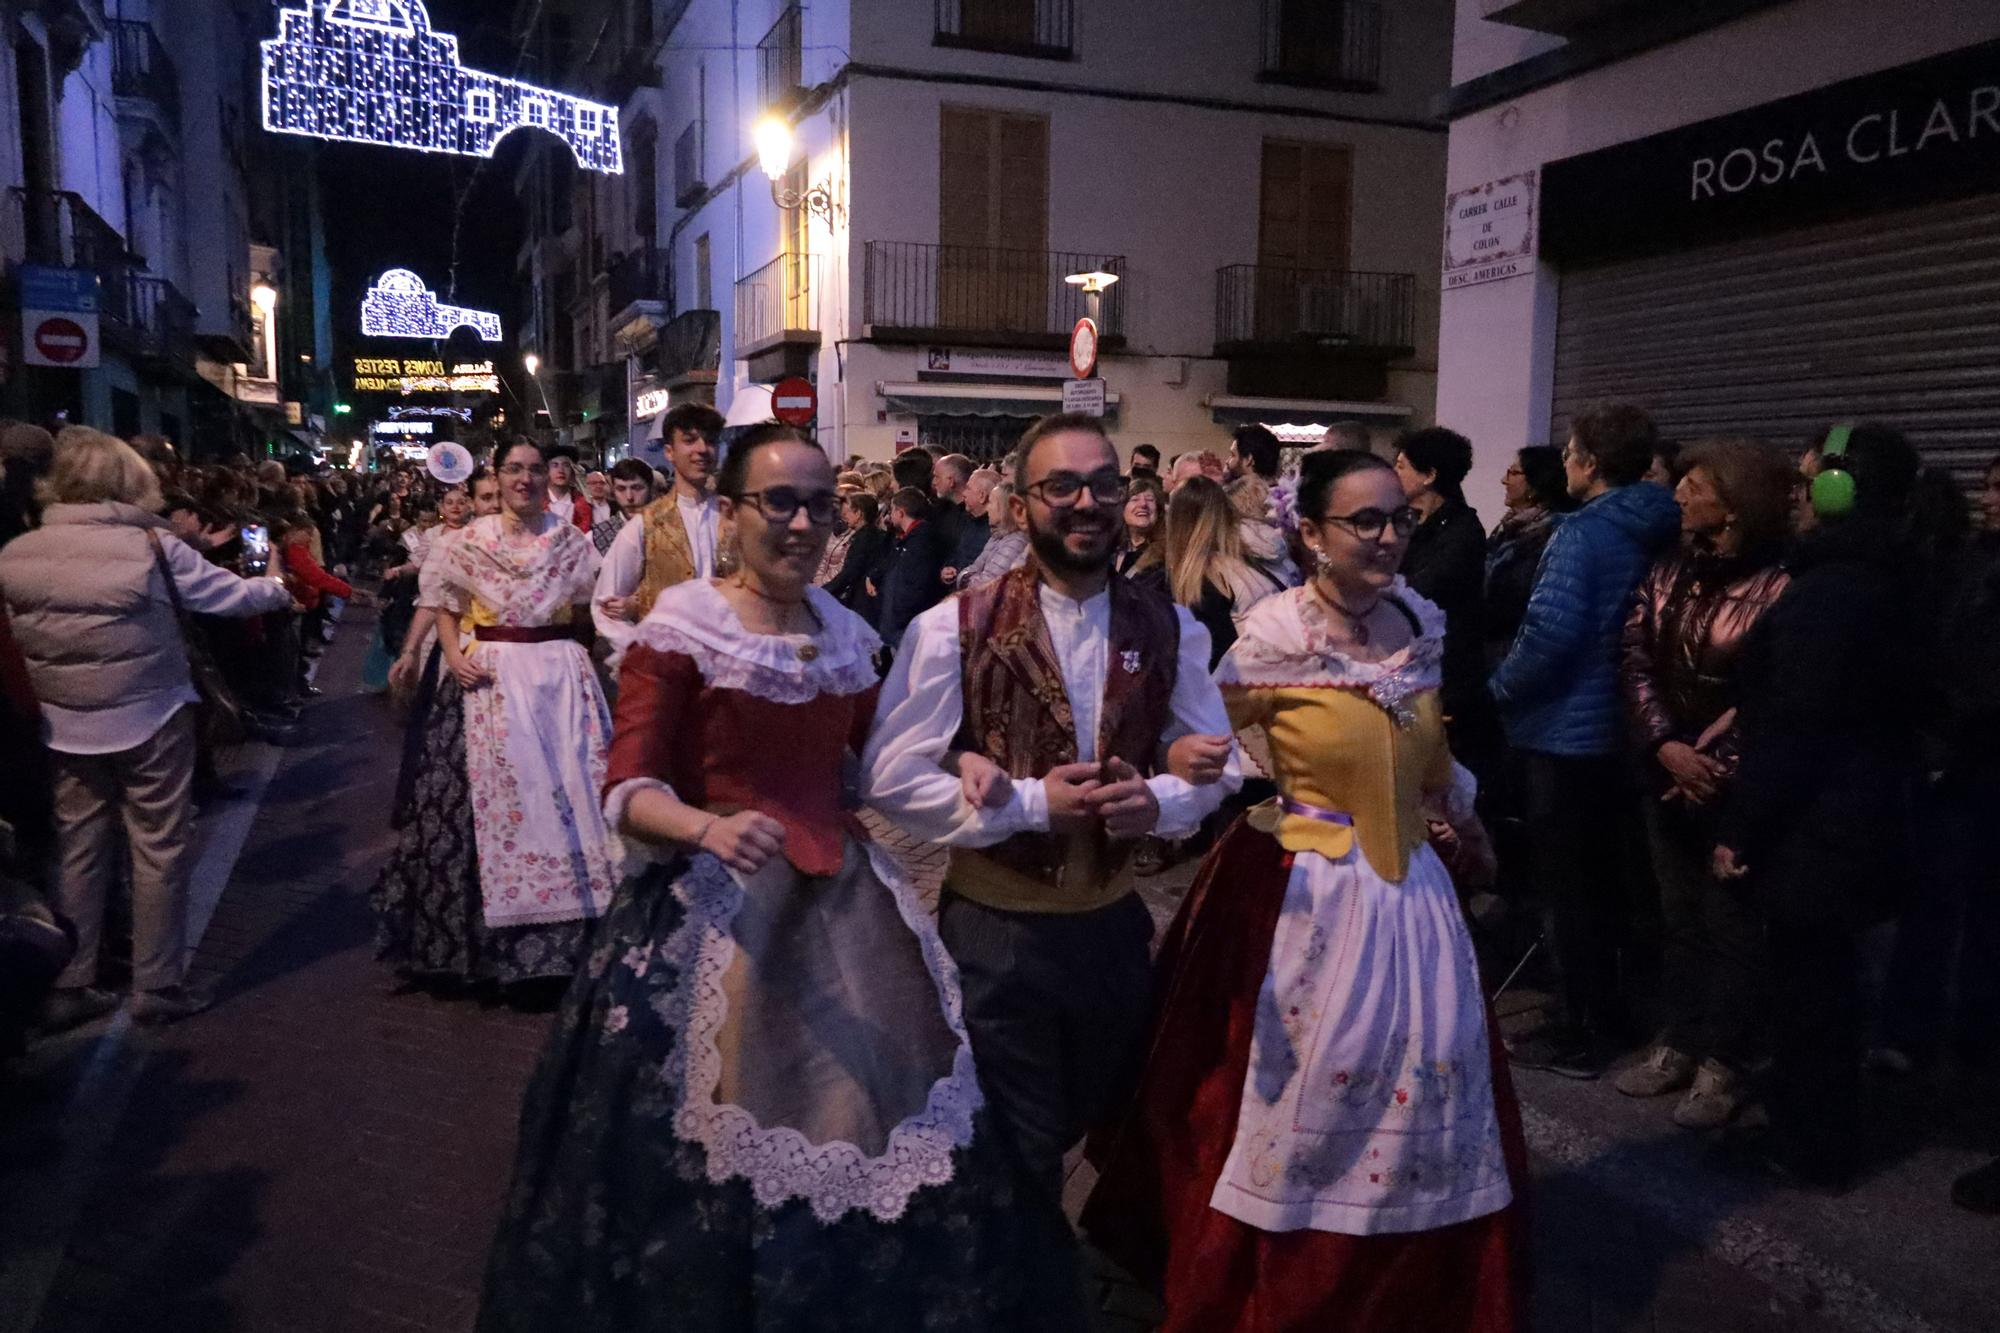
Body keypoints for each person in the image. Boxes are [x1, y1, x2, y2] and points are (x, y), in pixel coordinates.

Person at [476, 425, 1056, 1332]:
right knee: (693, 1132)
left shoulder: (846, 637)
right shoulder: (684, 627)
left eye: (819, 505)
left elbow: (881, 758)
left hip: (844, 903)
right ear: (735, 512)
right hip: (709, 905)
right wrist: (706, 825)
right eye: (778, 502)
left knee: (879, 1106)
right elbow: (628, 788)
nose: (802, 523)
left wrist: (964, 761)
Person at [1084, 448, 1524, 1333]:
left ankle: (1414, 1277)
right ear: (1312, 533)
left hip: (1414, 901)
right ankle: (1285, 1283)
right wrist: (1161, 788)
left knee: (1431, 1079)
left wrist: (1464, 823)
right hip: (1304, 895)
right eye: (1365, 520)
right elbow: (1202, 740)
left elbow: (1433, 758)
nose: (1389, 536)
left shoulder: (1418, 621)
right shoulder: (1277, 635)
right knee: (1300, 1092)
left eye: (1400, 518)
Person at [862, 413, 1240, 1307]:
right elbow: (888, 774)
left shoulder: (1170, 623)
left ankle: (1016, 1264)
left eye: (1104, 484)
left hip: (1112, 927)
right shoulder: (955, 624)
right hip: (999, 928)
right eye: (1060, 486)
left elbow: (1212, 759)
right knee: (1020, 1141)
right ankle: (1021, 1300)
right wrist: (1029, 804)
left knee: (1097, 1113)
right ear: (1023, 502)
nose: (1086, 503)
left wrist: (1162, 801)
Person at [0, 429, 294, 1027]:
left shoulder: (18, 552)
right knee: (158, 847)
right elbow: (231, 597)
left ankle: (71, 980)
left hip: (65, 723)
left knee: (80, 850)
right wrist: (276, 585)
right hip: (150, 715)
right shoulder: (150, 547)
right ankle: (157, 985)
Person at [1710, 424, 1926, 1191]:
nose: (1797, 498)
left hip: (1820, 828)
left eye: (1808, 482)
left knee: (1811, 995)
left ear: (1840, 491)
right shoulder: (1889, 576)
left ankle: (1811, 1146)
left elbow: (1796, 728)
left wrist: (1742, 830)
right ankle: (1815, 1130)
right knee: (1827, 990)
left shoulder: (1830, 593)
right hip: (1860, 813)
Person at [1492, 404, 1679, 1078]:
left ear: (1591, 463)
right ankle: (1611, 1013)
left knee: (1569, 892)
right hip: (1619, 728)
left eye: (1571, 452)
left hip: (1566, 728)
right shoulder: (1657, 524)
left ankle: (1582, 1029)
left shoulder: (1582, 534)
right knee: (1607, 886)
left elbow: (1551, 633)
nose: (1565, 463)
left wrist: (1498, 687)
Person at [1614, 439, 1794, 1129]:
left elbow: (1771, 694)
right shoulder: (1668, 570)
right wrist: (1665, 745)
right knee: (1679, 917)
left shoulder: (1779, 583)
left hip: (1731, 784)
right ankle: (1680, 1040)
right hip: (1667, 770)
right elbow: (1635, 658)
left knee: (1733, 925)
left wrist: (1713, 765)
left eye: (1695, 484)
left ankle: (1727, 1059)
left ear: (1736, 502)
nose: (1680, 495)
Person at [394, 437, 617, 990]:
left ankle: (579, 937)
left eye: (534, 469)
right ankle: (484, 951)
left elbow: (593, 604)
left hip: (559, 679)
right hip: (489, 676)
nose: (525, 479)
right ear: (496, 476)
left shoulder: (569, 539)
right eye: (514, 469)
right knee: (482, 800)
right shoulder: (469, 540)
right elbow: (446, 603)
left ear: (548, 476)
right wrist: (451, 655)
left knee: (573, 794)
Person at [592, 403, 724, 672]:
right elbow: (605, 605)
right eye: (690, 440)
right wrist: (641, 650)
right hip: (670, 670)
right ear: (669, 452)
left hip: (730, 664)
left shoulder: (735, 516)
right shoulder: (646, 524)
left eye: (710, 441)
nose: (702, 449)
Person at [1395, 428, 1489, 758]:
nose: (1394, 474)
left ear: (1429, 475)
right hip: (1406, 667)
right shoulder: (1407, 522)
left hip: (1447, 675)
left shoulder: (1462, 530)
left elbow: (1426, 588)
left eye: (1402, 466)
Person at [1153, 476, 1283, 667]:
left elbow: (1213, 661)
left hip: (1246, 678)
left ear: (1178, 521)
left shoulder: (1206, 577)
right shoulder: (1258, 555)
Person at [1483, 445, 1572, 668]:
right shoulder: (1509, 528)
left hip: (1514, 654)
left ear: (1535, 482)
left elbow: (1514, 599)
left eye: (1513, 473)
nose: (1504, 480)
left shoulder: (1544, 535)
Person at [875, 486, 947, 654]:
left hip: (906, 625)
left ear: (900, 512)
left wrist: (900, 617)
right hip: (899, 624)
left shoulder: (921, 541)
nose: (890, 515)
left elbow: (916, 585)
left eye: (892, 510)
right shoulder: (908, 538)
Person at [821, 491, 889, 618]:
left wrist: (823, 593)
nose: (845, 516)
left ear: (858, 514)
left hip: (861, 603)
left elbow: (849, 573)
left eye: (848, 512)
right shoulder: (878, 535)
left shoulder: (863, 540)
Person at [956, 479, 1029, 591]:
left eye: (990, 502)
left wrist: (964, 577)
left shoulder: (1015, 543)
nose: (987, 508)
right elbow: (974, 568)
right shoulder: (997, 537)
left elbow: (985, 588)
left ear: (1004, 509)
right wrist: (965, 576)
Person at [943, 465, 999, 586]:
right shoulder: (966, 521)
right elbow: (957, 553)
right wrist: (949, 568)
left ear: (982, 496)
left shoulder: (994, 532)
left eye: (968, 488)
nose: (964, 493)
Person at [592, 458, 655, 558]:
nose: (629, 497)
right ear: (613, 491)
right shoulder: (596, 536)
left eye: (637, 488)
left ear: (651, 489)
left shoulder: (670, 531)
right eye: (621, 489)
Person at [1116, 475, 1164, 577]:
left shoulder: (1167, 554)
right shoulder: (1110, 549)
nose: (1143, 504)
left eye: (1150, 499)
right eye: (1135, 499)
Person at [544, 445, 592, 531]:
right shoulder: (536, 504)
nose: (561, 470)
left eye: (566, 465)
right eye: (555, 465)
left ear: (573, 471)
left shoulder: (584, 504)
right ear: (546, 471)